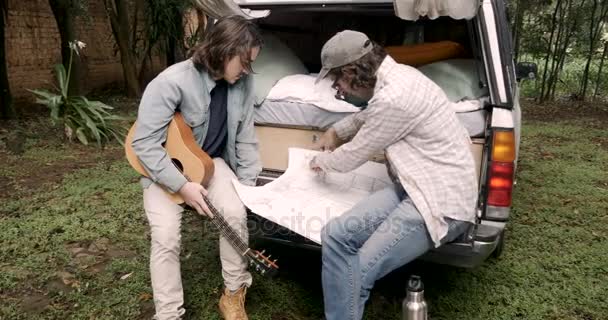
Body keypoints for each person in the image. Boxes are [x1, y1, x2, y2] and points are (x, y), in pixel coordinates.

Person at [310, 30, 478, 320]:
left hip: (439, 203)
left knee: (356, 273)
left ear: (352, 72)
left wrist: (320, 161)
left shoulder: (395, 97)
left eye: (336, 79)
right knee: (335, 235)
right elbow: (369, 115)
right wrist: (336, 131)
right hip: (413, 187)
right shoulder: (398, 77)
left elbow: (352, 156)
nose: (337, 87)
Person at [131, 15, 263, 320]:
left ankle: (233, 293)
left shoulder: (244, 82)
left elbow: (245, 137)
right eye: (244, 62)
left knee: (234, 213)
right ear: (223, 50)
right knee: (165, 236)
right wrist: (181, 185)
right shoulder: (170, 82)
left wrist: (248, 187)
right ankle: (168, 314)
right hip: (163, 170)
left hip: (211, 163)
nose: (248, 70)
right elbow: (143, 144)